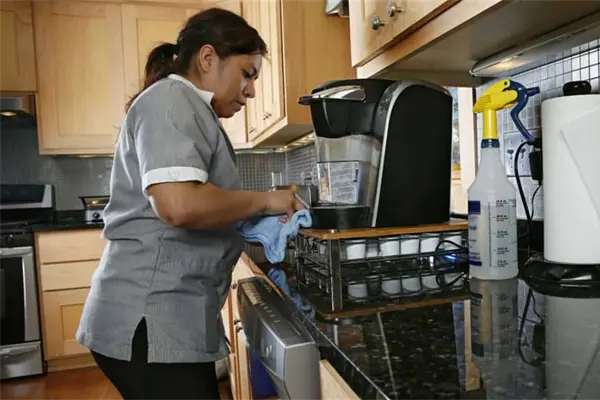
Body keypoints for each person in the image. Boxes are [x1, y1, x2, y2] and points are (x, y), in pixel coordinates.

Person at [76, 8, 302, 400]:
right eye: (247, 73)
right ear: (208, 58)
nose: (250, 90)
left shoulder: (191, 109)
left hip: (165, 320)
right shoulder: (170, 100)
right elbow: (179, 204)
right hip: (148, 321)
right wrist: (266, 201)